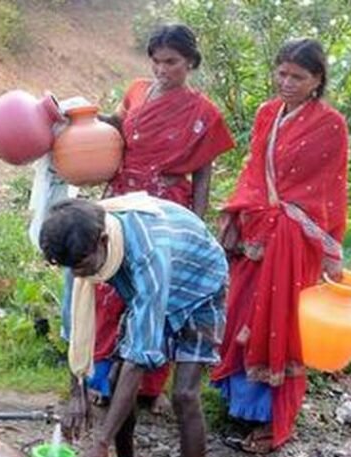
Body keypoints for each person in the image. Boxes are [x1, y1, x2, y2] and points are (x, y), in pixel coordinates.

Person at [42, 193, 228, 457]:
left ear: (104, 241)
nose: (78, 275)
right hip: (154, 286)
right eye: (71, 268)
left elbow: (138, 361)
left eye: (82, 266)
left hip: (199, 287)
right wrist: (76, 390)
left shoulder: (146, 253)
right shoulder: (79, 247)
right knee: (113, 384)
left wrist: (99, 441)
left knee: (184, 396)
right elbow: (73, 324)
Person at [209, 38, 349, 454]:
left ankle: (270, 419)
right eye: (282, 73)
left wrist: (324, 246)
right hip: (256, 229)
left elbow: (328, 190)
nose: (286, 82)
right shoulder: (266, 113)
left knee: (279, 323)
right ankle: (239, 407)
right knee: (241, 311)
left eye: (298, 77)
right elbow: (254, 171)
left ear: (317, 80)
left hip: (294, 238)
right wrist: (238, 213)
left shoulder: (331, 125)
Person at [92, 24, 235, 415]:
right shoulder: (137, 91)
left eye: (171, 62)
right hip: (122, 200)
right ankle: (102, 378)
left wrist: (196, 224)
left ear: (190, 62)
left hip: (165, 208)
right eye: (156, 61)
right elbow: (116, 127)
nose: (161, 70)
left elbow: (202, 173)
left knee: (156, 294)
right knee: (109, 287)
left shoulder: (203, 113)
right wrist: (78, 119)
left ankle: (147, 386)